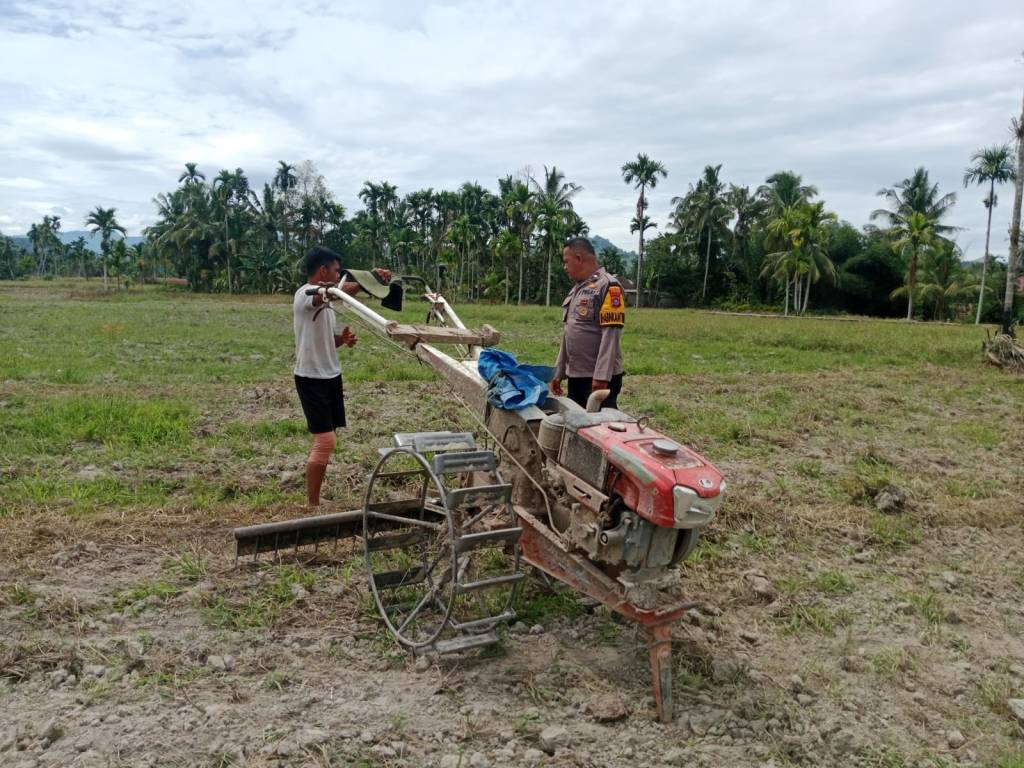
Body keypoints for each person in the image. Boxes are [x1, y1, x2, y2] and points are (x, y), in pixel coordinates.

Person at [293, 246, 390, 506]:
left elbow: (324, 337)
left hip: (330, 376)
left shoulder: (326, 300)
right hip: (311, 377)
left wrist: (341, 339)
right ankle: (312, 504)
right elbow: (335, 294)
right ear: (323, 270)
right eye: (337, 271)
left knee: (328, 440)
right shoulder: (305, 294)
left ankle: (315, 497)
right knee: (325, 441)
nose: (338, 277)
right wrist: (368, 279)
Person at [550, 237, 625, 409]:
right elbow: (569, 333)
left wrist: (601, 376)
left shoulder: (608, 286)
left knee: (600, 428)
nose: (565, 267)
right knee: (575, 423)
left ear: (579, 258)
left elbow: (610, 336)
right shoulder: (577, 289)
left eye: (566, 261)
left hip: (597, 378)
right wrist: (558, 371)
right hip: (577, 375)